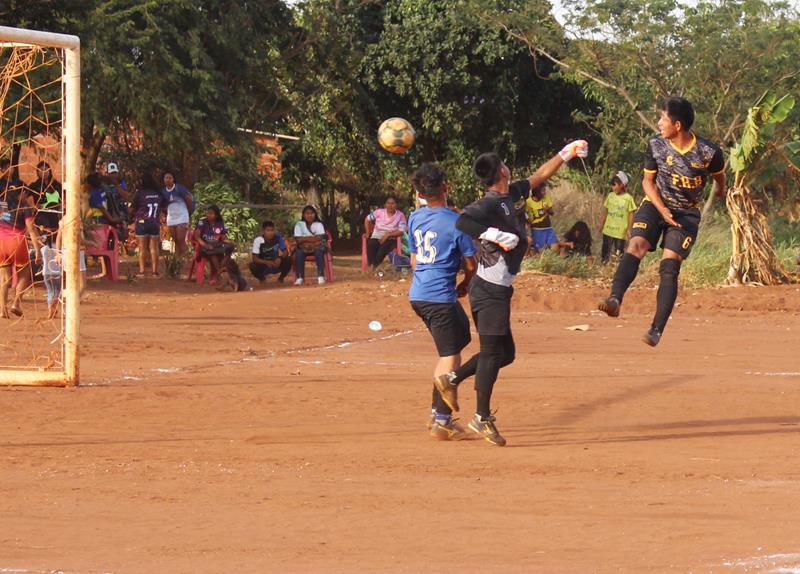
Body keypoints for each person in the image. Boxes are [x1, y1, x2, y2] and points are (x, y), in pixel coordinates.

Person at [433, 140, 590, 446]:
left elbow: (539, 176)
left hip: (498, 288)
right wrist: (491, 233)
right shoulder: (490, 202)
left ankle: (450, 379)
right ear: (501, 171)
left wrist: (566, 153)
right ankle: (481, 418)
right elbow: (462, 220)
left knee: (506, 354)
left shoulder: (512, 193)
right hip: (488, 289)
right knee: (493, 353)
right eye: (504, 163)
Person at [598, 97, 726, 346]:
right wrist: (663, 210)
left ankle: (656, 329)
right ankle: (615, 299)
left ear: (677, 125)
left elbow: (719, 178)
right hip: (655, 204)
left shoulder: (709, 152)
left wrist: (722, 190)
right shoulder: (656, 145)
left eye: (663, 118)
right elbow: (648, 182)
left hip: (686, 214)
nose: (658, 123)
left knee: (669, 267)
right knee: (636, 245)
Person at [407, 163, 477, 441]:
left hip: (420, 294)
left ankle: (440, 414)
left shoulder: (414, 217)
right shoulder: (456, 222)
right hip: (438, 296)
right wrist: (466, 284)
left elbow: (414, 260)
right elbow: (471, 264)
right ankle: (441, 419)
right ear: (446, 188)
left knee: (458, 339)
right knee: (450, 355)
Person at [0, 171, 41, 318]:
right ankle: (16, 303)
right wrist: (37, 250)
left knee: (5, 279)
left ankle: (2, 310)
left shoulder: (2, 203)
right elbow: (31, 229)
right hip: (17, 242)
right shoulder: (24, 206)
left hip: (1, 242)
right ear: (22, 192)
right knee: (25, 274)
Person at [131, 172, 167, 277]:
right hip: (154, 223)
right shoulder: (159, 193)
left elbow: (133, 208)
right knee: (154, 248)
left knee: (142, 248)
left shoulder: (140, 193)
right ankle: (154, 272)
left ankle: (142, 272)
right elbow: (164, 207)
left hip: (142, 222)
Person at [599, 171, 637, 263]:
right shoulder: (610, 196)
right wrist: (601, 225)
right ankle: (604, 266)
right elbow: (606, 211)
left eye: (615, 185)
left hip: (620, 232)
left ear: (622, 185)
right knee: (605, 251)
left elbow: (631, 214)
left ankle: (617, 269)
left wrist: (629, 229)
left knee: (618, 253)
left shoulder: (628, 198)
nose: (613, 187)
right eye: (612, 185)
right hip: (608, 230)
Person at [193, 204, 234, 285]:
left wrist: (228, 241)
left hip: (217, 245)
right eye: (208, 213)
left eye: (211, 213)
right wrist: (205, 245)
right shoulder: (202, 222)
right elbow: (196, 236)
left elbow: (223, 238)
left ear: (216, 215)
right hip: (204, 246)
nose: (209, 215)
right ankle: (219, 273)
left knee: (230, 247)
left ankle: (218, 271)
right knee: (212, 252)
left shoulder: (220, 223)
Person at [365, 195, 407, 268]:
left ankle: (373, 267)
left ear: (396, 205)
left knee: (383, 250)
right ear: (385, 204)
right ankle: (371, 267)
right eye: (388, 203)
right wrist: (368, 233)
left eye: (392, 203)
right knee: (371, 245)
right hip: (377, 236)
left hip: (391, 238)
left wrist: (388, 235)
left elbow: (401, 231)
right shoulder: (379, 212)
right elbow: (367, 219)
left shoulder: (400, 215)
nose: (390, 205)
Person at [292, 205, 327, 286]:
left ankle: (321, 276)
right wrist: (311, 238)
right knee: (299, 253)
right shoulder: (299, 225)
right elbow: (298, 240)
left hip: (317, 247)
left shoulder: (319, 224)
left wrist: (305, 239)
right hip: (302, 248)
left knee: (319, 251)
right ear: (304, 215)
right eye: (307, 213)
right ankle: (300, 278)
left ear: (315, 214)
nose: (310, 215)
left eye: (312, 213)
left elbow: (320, 238)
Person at [162, 171, 193, 255]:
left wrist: (188, 212)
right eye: (166, 178)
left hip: (182, 217)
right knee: (175, 239)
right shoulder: (163, 192)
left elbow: (189, 200)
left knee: (180, 239)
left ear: (173, 179)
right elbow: (163, 205)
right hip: (171, 218)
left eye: (170, 178)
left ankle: (187, 260)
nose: (168, 180)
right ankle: (178, 261)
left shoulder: (179, 188)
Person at [28, 161, 63, 234]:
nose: (44, 172)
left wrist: (61, 207)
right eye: (41, 170)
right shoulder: (34, 185)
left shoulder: (56, 184)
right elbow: (25, 196)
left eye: (46, 170)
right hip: (42, 213)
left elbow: (63, 197)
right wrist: (33, 206)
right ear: (37, 172)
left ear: (49, 171)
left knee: (56, 231)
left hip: (55, 212)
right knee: (46, 231)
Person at [526, 184, 557, 253]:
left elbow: (552, 213)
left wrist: (548, 210)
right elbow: (528, 219)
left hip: (548, 228)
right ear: (537, 192)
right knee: (540, 251)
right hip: (537, 229)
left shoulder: (546, 198)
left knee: (555, 247)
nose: (545, 192)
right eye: (543, 191)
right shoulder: (528, 202)